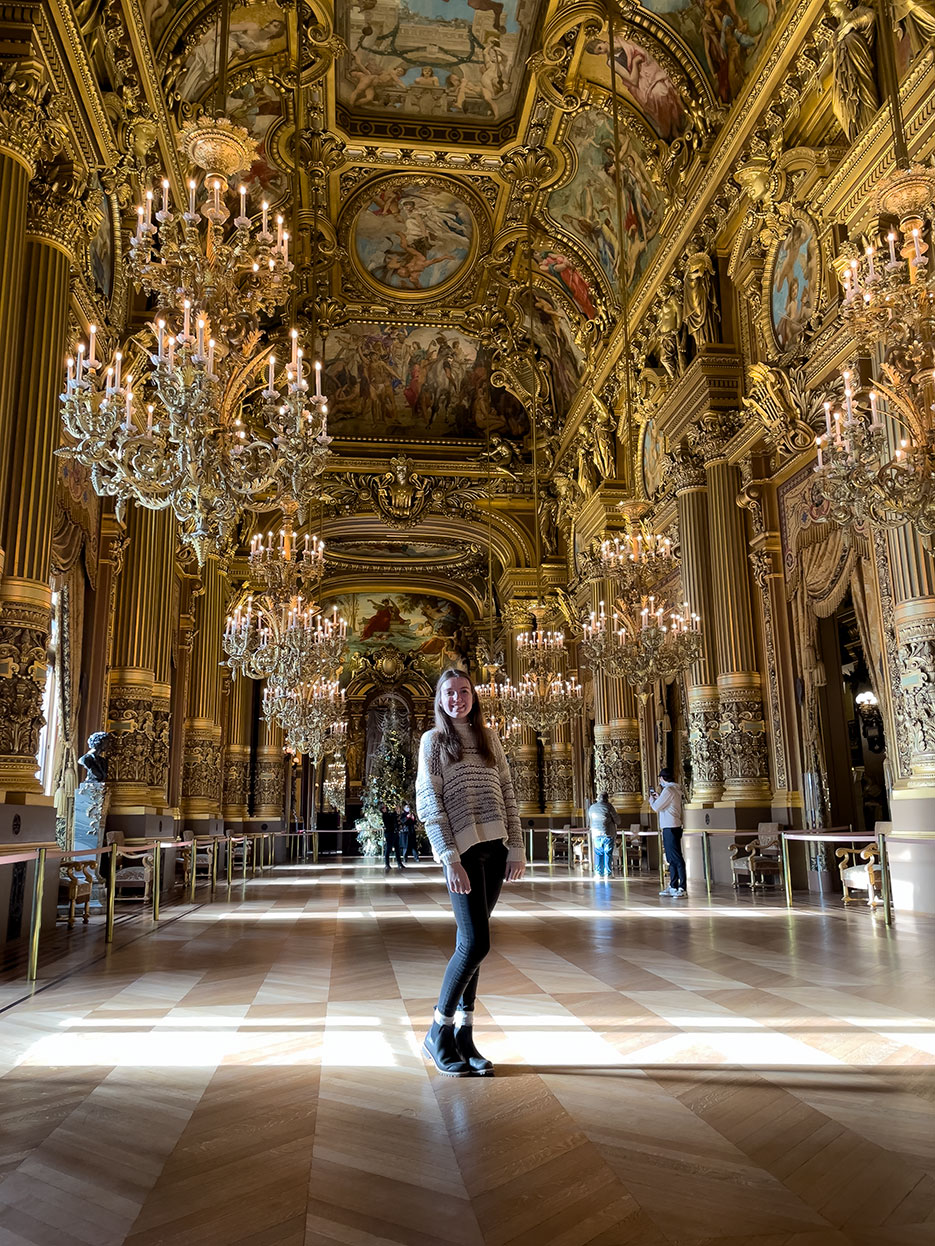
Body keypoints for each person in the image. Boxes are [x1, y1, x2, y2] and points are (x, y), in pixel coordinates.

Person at [416, 668, 525, 1075]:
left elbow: (509, 794)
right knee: (476, 944)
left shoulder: (489, 738)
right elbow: (429, 800)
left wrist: (516, 847)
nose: (457, 698)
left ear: (473, 697)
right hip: (462, 853)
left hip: (495, 851)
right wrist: (449, 857)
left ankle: (464, 1035)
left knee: (471, 942)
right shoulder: (432, 742)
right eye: (449, 692)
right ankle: (437, 1030)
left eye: (464, 691)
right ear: (440, 699)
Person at [649, 768, 686, 897]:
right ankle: (673, 885)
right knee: (671, 858)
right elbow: (667, 805)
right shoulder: (674, 789)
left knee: (676, 858)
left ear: (662, 778)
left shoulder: (668, 790)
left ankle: (682, 887)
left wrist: (652, 800)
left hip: (670, 827)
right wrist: (660, 798)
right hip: (672, 826)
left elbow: (656, 807)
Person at [588, 792, 618, 879]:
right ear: (606, 798)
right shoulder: (608, 806)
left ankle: (598, 873)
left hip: (596, 834)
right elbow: (618, 820)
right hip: (607, 833)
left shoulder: (592, 807)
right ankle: (608, 873)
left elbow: (589, 820)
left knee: (598, 853)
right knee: (607, 853)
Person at [381, 803, 404, 871]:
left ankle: (399, 863)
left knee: (397, 849)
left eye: (385, 807)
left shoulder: (390, 814)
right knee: (388, 849)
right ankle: (387, 864)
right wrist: (395, 811)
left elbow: (395, 819)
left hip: (395, 833)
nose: (385, 809)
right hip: (389, 833)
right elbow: (390, 819)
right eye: (383, 808)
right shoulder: (385, 815)